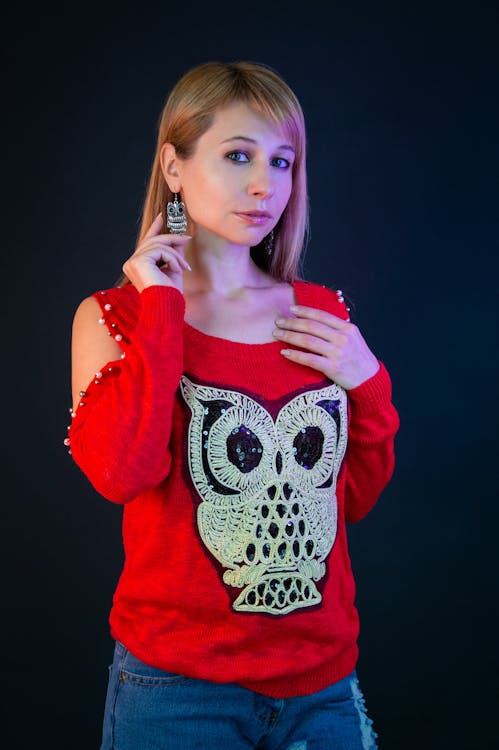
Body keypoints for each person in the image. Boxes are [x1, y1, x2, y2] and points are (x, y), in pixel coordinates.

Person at [66, 60, 400, 750]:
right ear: (175, 165)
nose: (264, 185)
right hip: (175, 694)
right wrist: (163, 307)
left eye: (282, 162)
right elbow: (122, 473)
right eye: (238, 155)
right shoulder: (112, 319)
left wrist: (368, 382)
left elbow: (353, 498)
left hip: (320, 685)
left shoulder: (317, 314)